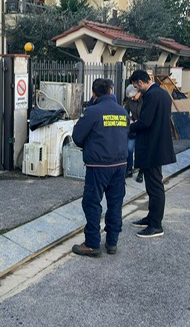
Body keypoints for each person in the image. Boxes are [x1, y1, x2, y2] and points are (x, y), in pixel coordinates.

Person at [71, 78, 129, 257]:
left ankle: (92, 243)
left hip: (98, 166)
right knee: (115, 204)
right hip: (120, 165)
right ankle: (112, 242)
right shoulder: (122, 111)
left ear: (94, 94)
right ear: (111, 91)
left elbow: (77, 137)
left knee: (92, 203)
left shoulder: (93, 112)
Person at [129, 70, 176, 238]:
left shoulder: (151, 95)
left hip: (152, 146)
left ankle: (156, 225)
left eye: (136, 86)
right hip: (159, 144)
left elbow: (145, 122)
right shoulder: (162, 93)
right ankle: (151, 217)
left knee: (155, 187)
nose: (136, 89)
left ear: (141, 82)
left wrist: (130, 127)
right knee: (153, 185)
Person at [123, 83, 143, 182]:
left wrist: (140, 121)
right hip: (133, 128)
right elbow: (124, 113)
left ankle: (141, 172)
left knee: (141, 151)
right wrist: (130, 120)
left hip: (142, 128)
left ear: (138, 93)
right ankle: (129, 168)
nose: (131, 99)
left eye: (133, 96)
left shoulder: (145, 100)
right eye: (130, 97)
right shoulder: (130, 101)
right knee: (129, 148)